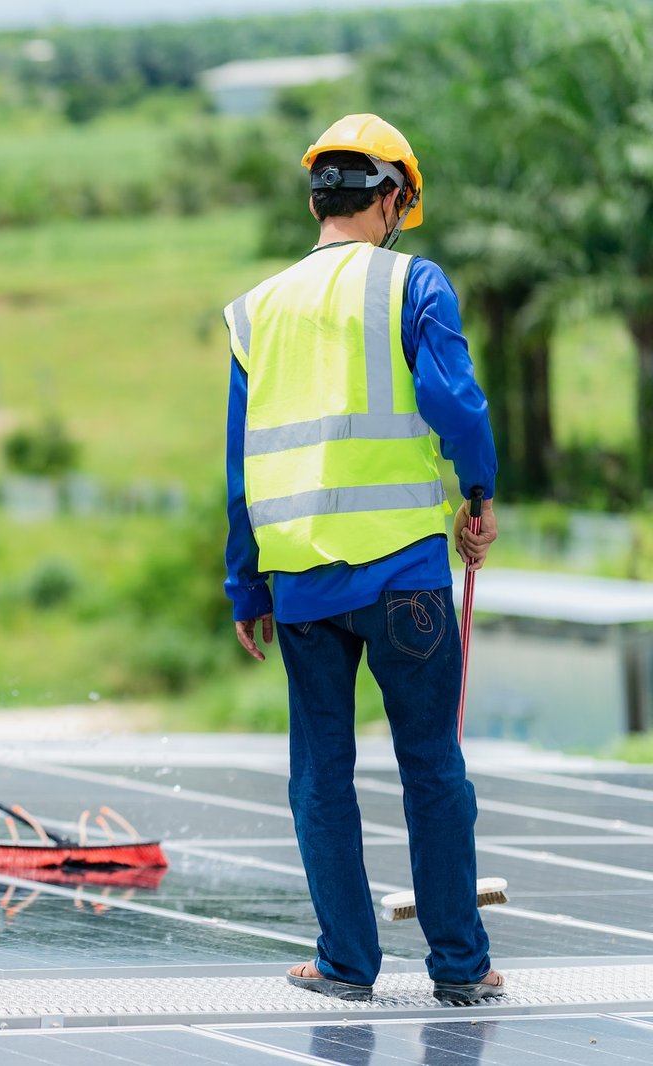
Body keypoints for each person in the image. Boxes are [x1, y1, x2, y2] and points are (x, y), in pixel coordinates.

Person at [221, 115, 502, 1004]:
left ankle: (345, 963)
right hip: (405, 577)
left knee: (320, 778)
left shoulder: (256, 310)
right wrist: (478, 496)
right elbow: (457, 404)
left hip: (303, 586)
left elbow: (240, 467)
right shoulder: (413, 284)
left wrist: (245, 584)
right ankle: (461, 967)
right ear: (390, 200)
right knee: (433, 769)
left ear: (317, 200)